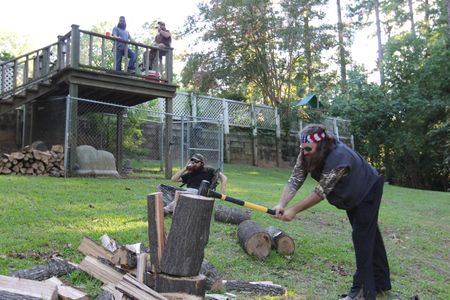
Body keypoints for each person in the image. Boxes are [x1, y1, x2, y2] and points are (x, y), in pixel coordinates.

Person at [272, 124, 391, 300]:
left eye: (308, 149)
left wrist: (294, 211)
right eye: (302, 149)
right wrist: (281, 204)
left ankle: (363, 291)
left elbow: (321, 192)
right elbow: (296, 177)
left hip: (368, 188)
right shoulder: (307, 152)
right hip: (352, 191)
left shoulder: (339, 157)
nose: (304, 152)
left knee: (362, 236)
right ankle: (381, 283)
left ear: (320, 145)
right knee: (369, 234)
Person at [159, 153, 227, 214]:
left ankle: (166, 210)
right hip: (187, 192)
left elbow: (224, 178)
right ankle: (171, 207)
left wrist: (222, 192)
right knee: (163, 188)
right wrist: (185, 168)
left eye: (196, 161)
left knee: (184, 193)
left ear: (202, 163)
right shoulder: (190, 173)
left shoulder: (209, 170)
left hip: (199, 193)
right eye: (192, 161)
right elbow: (174, 179)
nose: (194, 163)